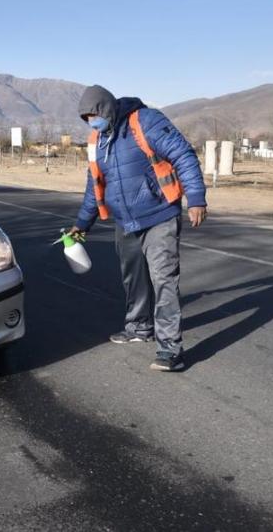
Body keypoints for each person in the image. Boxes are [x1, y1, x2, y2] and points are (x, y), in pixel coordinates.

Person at [68, 85, 207, 372]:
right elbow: (94, 186)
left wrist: (196, 198)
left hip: (159, 215)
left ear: (107, 108)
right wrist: (81, 225)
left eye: (94, 114)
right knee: (133, 278)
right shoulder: (96, 140)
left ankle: (170, 349)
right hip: (125, 221)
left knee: (163, 279)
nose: (92, 121)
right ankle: (139, 327)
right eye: (86, 117)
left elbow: (183, 154)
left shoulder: (144, 121)